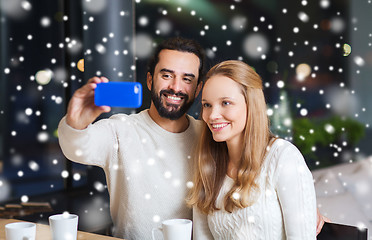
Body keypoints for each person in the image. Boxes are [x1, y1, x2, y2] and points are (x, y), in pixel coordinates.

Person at [58, 37, 326, 239]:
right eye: (167, 75)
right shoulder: (122, 130)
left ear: (198, 89)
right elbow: (76, 147)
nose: (176, 87)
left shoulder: (210, 137)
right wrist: (76, 120)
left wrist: (301, 205)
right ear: (150, 80)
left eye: (187, 79)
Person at [187, 60, 317, 239]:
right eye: (207, 105)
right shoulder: (208, 164)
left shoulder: (283, 157)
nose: (212, 115)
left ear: (251, 105)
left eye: (225, 103)